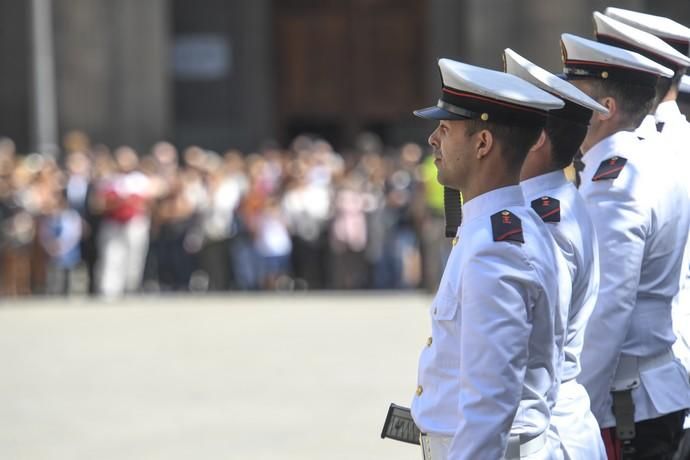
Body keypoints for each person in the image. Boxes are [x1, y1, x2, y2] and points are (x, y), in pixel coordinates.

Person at [410, 58, 567, 459]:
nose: (432, 140)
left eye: (445, 129)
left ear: (482, 144)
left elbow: (490, 403)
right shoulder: (495, 227)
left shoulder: (495, 246)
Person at [560, 33, 690, 458]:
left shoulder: (614, 183)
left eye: (573, 94)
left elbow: (607, 309)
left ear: (606, 110)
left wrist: (580, 419)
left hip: (626, 407)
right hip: (644, 397)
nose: (563, 105)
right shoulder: (645, 158)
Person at [504, 48, 608, 460]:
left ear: (539, 138)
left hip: (546, 434)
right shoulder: (549, 204)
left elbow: (532, 351)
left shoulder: (544, 221)